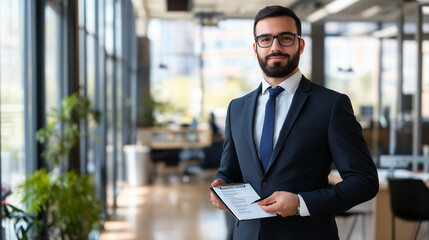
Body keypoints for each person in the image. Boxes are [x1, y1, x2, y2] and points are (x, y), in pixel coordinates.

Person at [209, 5, 379, 240]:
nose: (275, 47)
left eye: (285, 38)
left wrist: (302, 203)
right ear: (255, 47)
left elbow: (364, 181)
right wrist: (222, 184)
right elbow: (229, 171)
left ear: (300, 44)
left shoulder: (331, 105)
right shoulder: (237, 108)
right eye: (266, 39)